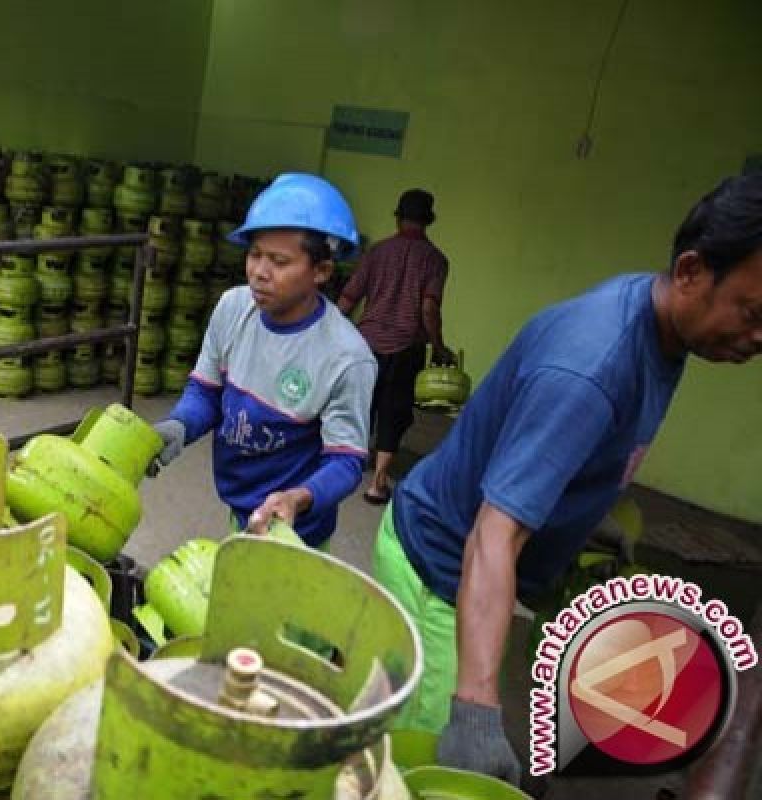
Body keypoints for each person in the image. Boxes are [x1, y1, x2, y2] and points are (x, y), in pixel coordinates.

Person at [372, 173, 762, 786]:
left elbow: (552, 452)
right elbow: (492, 534)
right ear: (691, 271)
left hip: (475, 563)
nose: (759, 336)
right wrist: (475, 713)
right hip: (441, 570)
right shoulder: (592, 370)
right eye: (754, 311)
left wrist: (582, 515)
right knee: (432, 771)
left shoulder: (660, 326)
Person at [151, 173, 377, 549]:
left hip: (296, 531)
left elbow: (346, 462)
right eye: (254, 254)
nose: (259, 272)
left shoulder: (347, 359)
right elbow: (206, 392)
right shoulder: (233, 308)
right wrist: (179, 425)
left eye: (279, 261)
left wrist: (296, 499)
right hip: (240, 504)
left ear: (321, 271)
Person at [338, 188, 453, 505]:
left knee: (363, 404)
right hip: (406, 347)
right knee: (394, 409)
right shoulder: (436, 261)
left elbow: (350, 295)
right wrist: (439, 347)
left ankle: (347, 464)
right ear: (428, 220)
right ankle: (378, 483)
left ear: (398, 216)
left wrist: (326, 329)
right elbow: (429, 309)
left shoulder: (377, 252)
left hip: (367, 342)